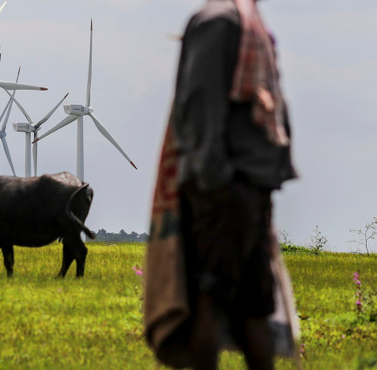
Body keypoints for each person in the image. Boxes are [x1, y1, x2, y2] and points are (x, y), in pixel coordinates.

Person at [143, 0, 298, 369]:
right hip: (224, 188)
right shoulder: (221, 22)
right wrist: (215, 177)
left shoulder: (243, 19)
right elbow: (201, 102)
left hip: (249, 187)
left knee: (255, 304)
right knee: (208, 298)